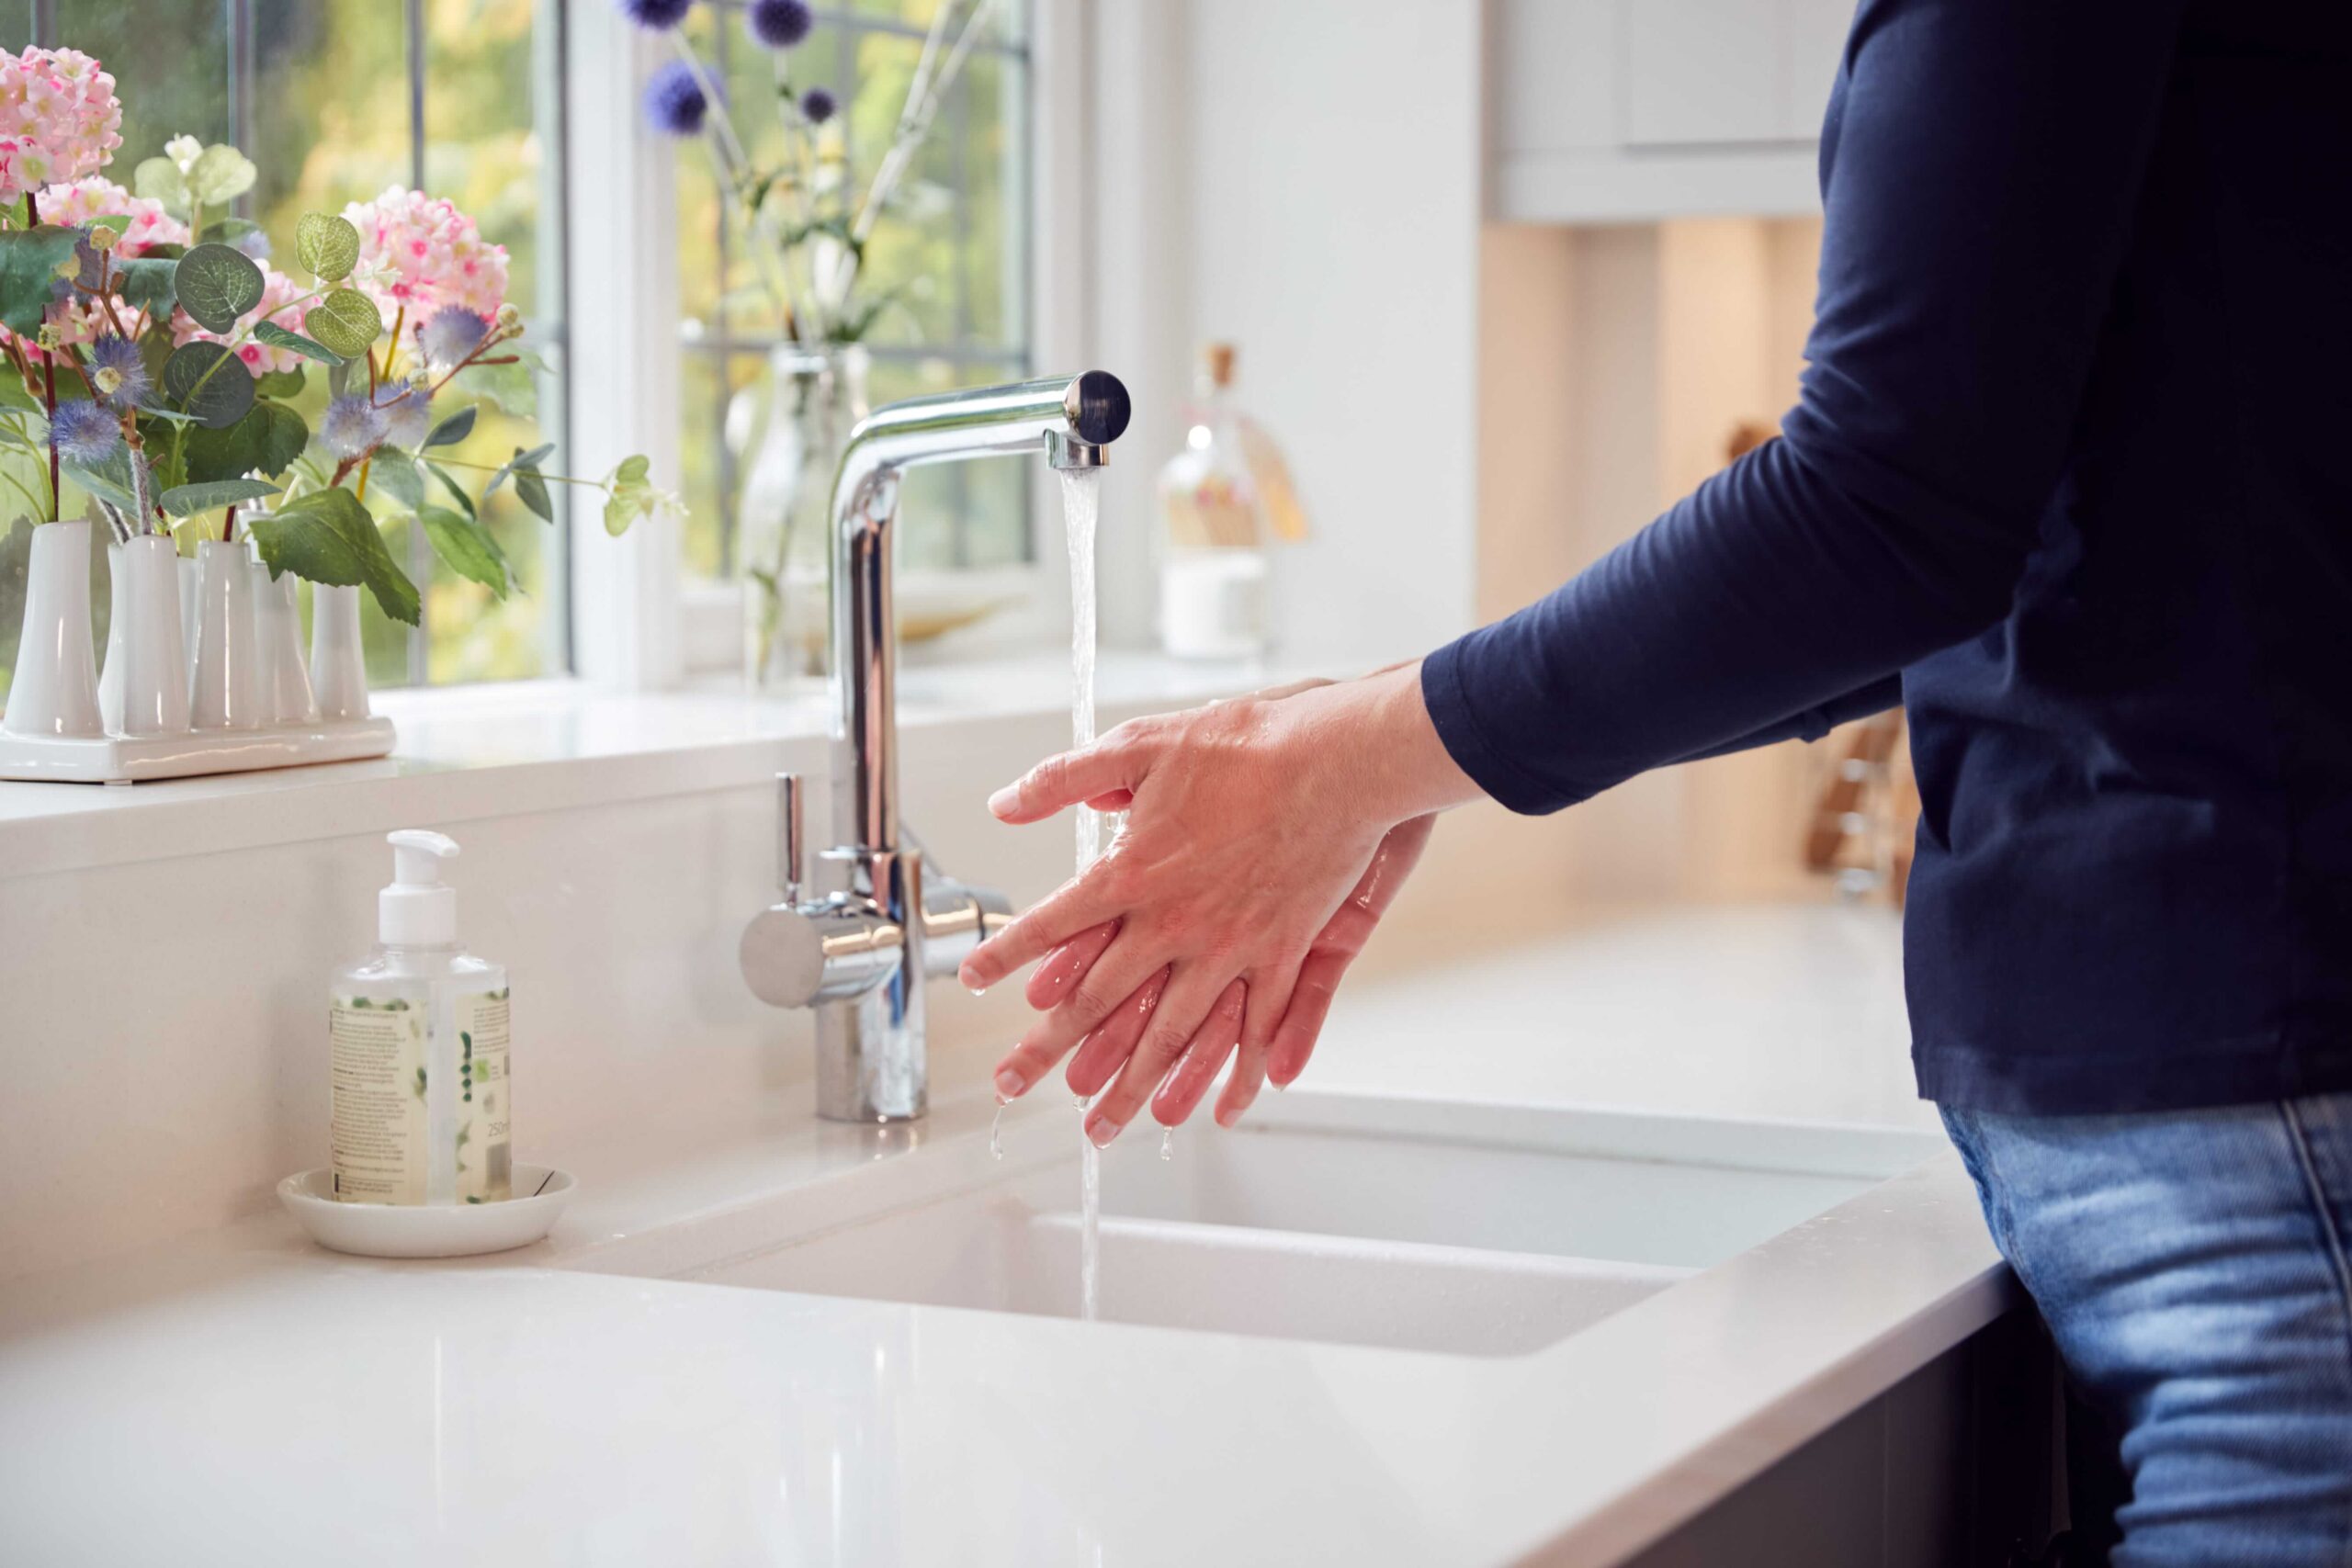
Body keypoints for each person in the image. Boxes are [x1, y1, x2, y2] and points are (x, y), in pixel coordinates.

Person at [962, 2, 2352, 1560]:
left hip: (2252, 1063)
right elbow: (1968, 546)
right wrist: (1375, 743)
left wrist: (1356, 761)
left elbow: (1888, 513)